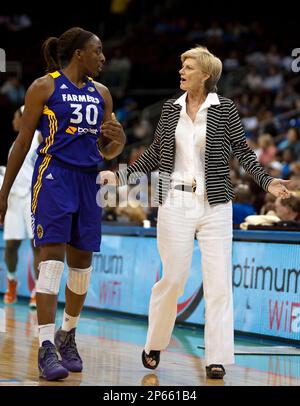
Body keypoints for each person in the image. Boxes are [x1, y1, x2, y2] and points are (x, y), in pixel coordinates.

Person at [101, 46, 292, 379]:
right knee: (172, 280)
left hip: (215, 204)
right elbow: (154, 156)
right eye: (181, 66)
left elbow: (245, 155)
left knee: (218, 283)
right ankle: (154, 342)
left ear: (205, 74)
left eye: (188, 67)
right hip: (174, 202)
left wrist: (267, 182)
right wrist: (119, 176)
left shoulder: (225, 109)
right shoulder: (170, 110)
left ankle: (216, 357)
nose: (181, 71)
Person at [0, 27, 126, 381]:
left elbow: (110, 148)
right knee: (52, 262)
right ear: (79, 55)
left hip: (89, 180)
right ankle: (44, 347)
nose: (103, 58)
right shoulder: (44, 87)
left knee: (82, 266)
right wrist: (4, 192)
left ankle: (67, 335)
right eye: (97, 51)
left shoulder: (103, 94)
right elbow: (22, 143)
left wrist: (119, 140)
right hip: (54, 177)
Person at [3, 105, 41, 307]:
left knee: (37, 246)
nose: (13, 122)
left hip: (32, 197)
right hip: (14, 200)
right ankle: (11, 281)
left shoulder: (37, 136)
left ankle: (37, 290)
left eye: (15, 117)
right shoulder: (15, 143)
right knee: (11, 246)